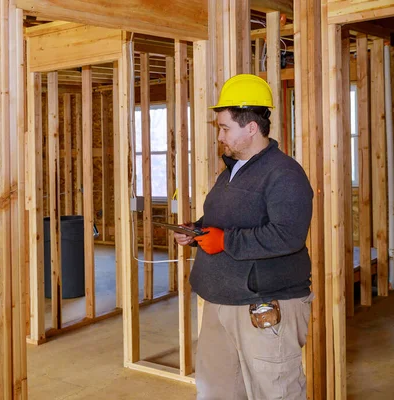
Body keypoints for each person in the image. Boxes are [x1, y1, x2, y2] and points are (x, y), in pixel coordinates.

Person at [174, 74, 314, 400]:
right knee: (217, 390)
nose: (220, 136)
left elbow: (287, 235)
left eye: (224, 128)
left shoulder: (284, 173)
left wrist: (225, 240)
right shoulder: (232, 170)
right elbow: (223, 222)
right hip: (220, 298)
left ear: (251, 128)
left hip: (263, 302)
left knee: (275, 390)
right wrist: (196, 231)